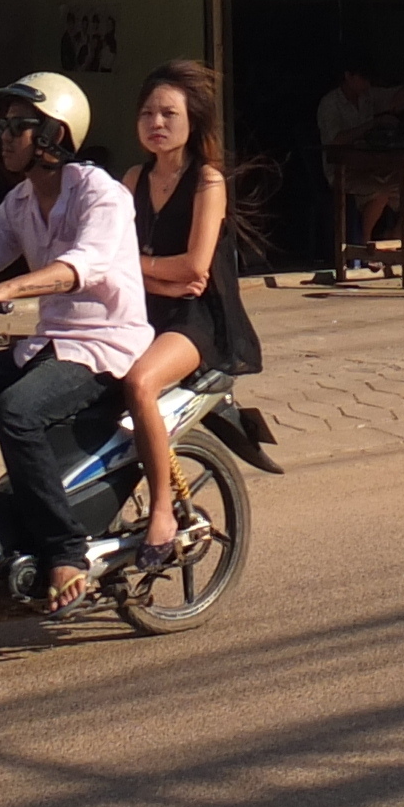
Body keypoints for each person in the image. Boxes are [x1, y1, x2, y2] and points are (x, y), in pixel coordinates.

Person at [0, 71, 148, 616]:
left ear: (53, 135)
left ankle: (64, 549)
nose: (5, 137)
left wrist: (9, 289)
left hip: (105, 344)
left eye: (18, 126)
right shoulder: (21, 200)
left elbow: (83, 266)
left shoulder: (101, 193)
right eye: (3, 126)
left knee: (15, 413)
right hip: (50, 342)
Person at [119, 62, 262, 556]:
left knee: (139, 382)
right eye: (148, 113)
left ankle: (161, 510)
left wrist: (136, 265)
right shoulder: (133, 178)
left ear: (192, 121)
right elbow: (116, 260)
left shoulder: (207, 181)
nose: (157, 123)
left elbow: (196, 269)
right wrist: (154, 270)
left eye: (168, 113)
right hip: (140, 311)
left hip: (195, 320)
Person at [312, 64, 404, 282]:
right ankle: (366, 247)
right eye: (363, 78)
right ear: (348, 76)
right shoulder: (330, 104)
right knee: (381, 192)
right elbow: (335, 141)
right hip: (342, 172)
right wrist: (372, 124)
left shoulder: (369, 96)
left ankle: (394, 238)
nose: (367, 85)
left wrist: (399, 98)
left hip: (373, 168)